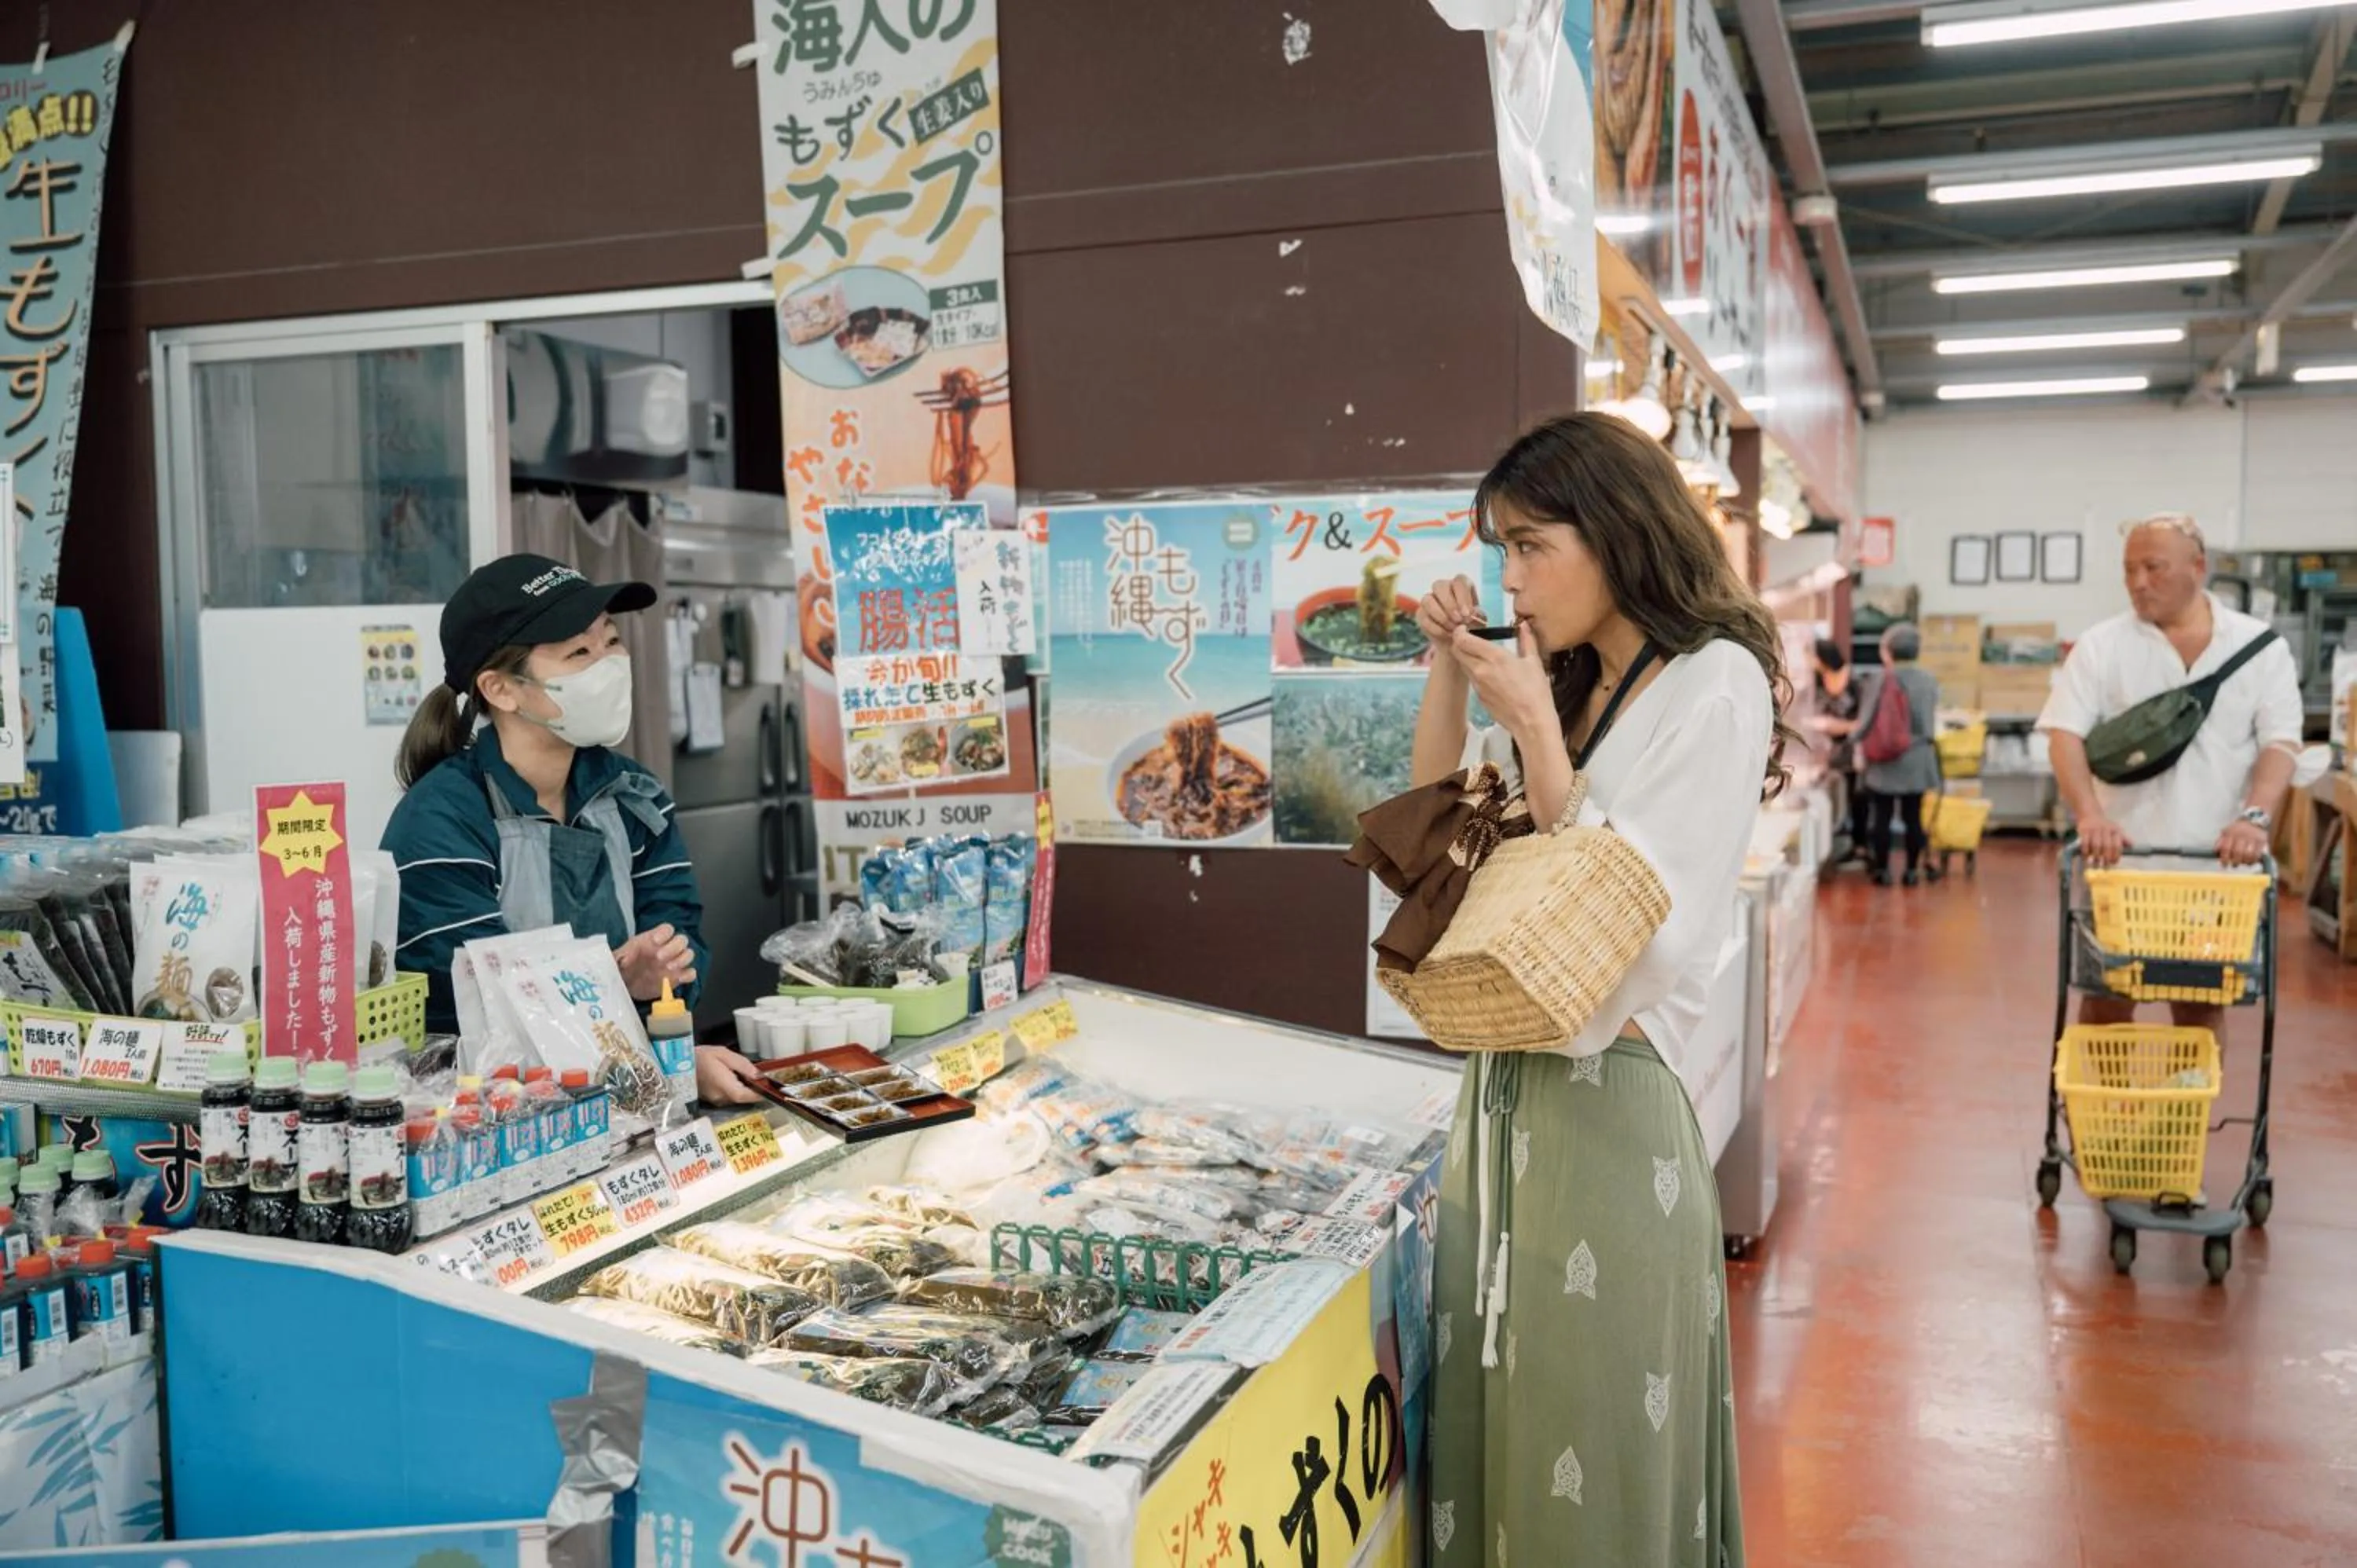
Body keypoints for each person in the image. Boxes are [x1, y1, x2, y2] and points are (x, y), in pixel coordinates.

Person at [1409, 413, 1782, 1567]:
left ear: (1617, 535)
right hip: (1506, 1102)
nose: (1509, 578)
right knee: (1496, 1423)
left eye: (1530, 547)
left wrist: (1535, 736)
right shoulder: (1576, 681)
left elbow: (1641, 924)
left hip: (1614, 1107)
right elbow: (1431, 844)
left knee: (1596, 1442)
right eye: (1500, 553)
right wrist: (1447, 674)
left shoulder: (1714, 683)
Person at [382, 554, 768, 1105]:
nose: (609, 664)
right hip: (483, 1118)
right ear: (501, 689)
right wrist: (613, 980)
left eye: (611, 642)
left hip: (627, 1097)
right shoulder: (440, 820)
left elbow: (680, 944)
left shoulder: (636, 795)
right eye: (579, 653)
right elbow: (474, 997)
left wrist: (663, 978)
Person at [2039, 512, 2304, 1031]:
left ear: (2198, 567)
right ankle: (2107, 1113)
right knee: (2107, 1000)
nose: (2139, 583)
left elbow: (2281, 743)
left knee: (2201, 1004)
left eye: (2154, 567)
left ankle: (2186, 1113)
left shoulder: (2259, 648)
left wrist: (2254, 818)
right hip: (2121, 865)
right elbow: (2064, 734)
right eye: (2129, 570)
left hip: (2217, 868)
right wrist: (2089, 815)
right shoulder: (2103, 645)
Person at [1857, 624, 1944, 887]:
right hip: (1918, 757)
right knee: (1913, 816)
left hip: (1884, 760)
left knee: (1881, 816)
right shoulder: (1929, 680)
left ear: (1888, 651)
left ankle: (1882, 871)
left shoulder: (1880, 679)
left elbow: (1865, 722)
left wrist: (1851, 743)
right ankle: (1911, 872)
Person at [1809, 636, 1868, 861]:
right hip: (1826, 751)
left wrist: (1840, 726)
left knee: (1858, 797)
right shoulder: (1816, 679)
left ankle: (1860, 844)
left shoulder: (1855, 682)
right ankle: (1833, 840)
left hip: (1853, 749)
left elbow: (1865, 719)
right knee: (1830, 797)